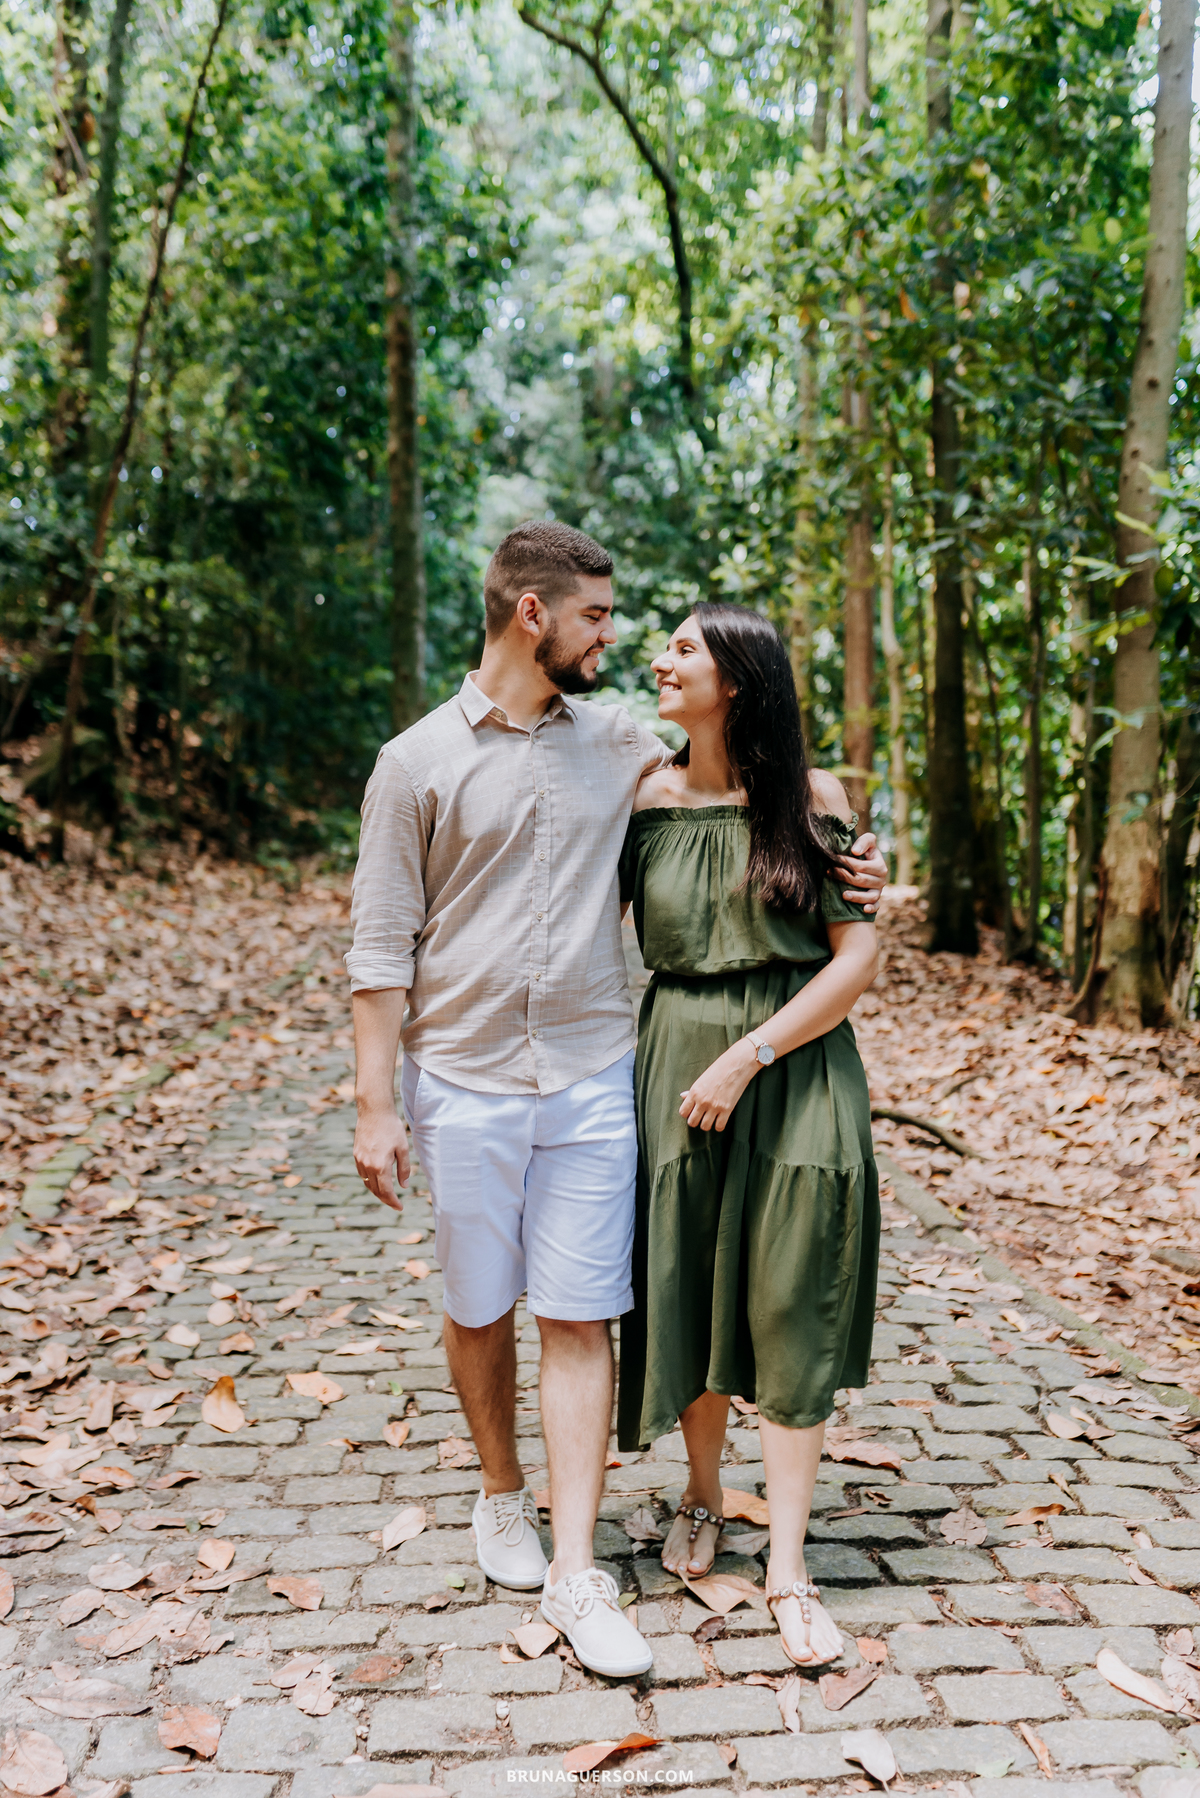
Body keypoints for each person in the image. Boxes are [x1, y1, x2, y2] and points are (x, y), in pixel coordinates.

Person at [347, 522, 887, 1679]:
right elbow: (379, 943)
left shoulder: (621, 746)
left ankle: (585, 1560)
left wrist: (868, 864)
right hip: (482, 1071)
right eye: (600, 615)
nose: (626, 639)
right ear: (534, 614)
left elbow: (777, 797)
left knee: (588, 1308)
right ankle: (507, 1491)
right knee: (492, 1295)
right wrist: (374, 1100)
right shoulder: (422, 763)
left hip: (600, 1071)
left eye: (658, 634)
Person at [616, 601, 880, 1670]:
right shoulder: (642, 793)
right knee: (687, 1280)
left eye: (683, 646)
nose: (660, 659)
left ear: (740, 674)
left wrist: (751, 1052)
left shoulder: (812, 799)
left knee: (786, 1293)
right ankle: (702, 1493)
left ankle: (788, 1565)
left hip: (796, 1066)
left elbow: (856, 960)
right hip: (675, 1058)